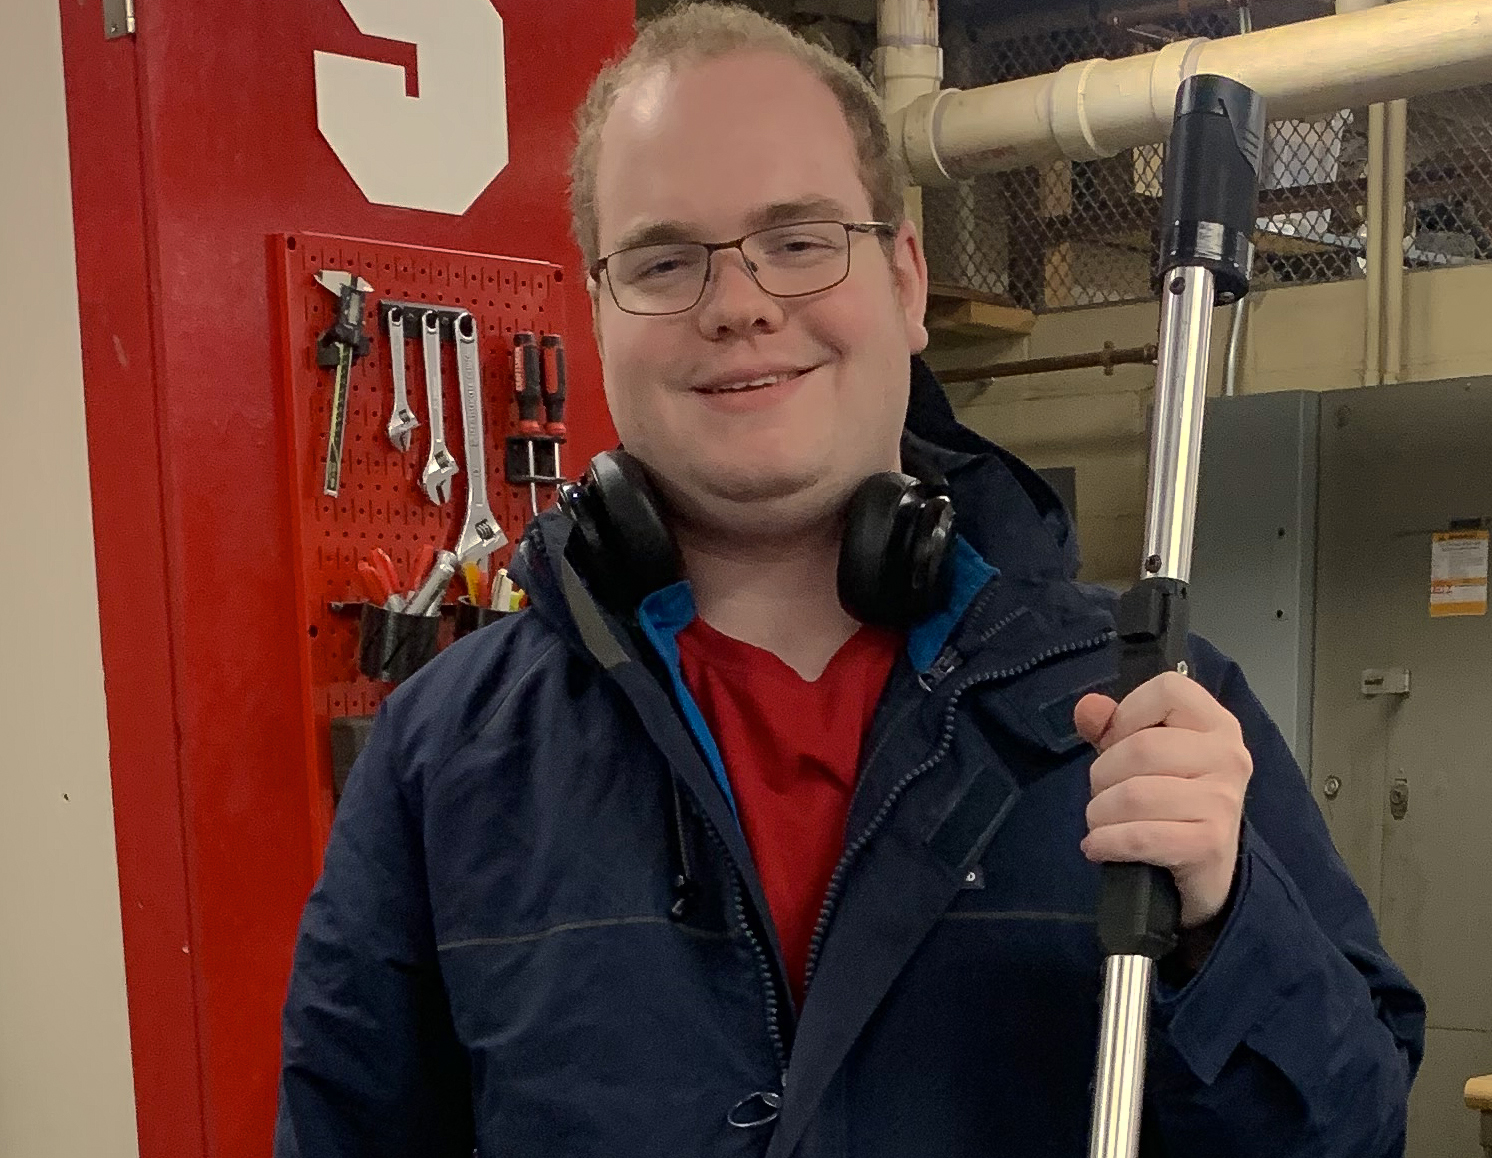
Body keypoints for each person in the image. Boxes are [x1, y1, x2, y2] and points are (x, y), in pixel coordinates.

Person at [273, 5, 1424, 1156]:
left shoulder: (1150, 711)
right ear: (599, 312)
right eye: (664, 260)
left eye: (798, 239)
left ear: (906, 279)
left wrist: (1223, 923)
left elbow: (1348, 1132)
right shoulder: (443, 762)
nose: (738, 305)